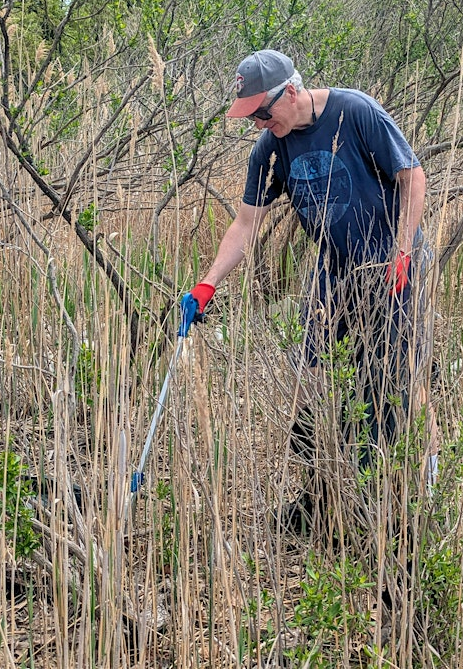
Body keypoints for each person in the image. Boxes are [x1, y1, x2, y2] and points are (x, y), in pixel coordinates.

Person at [180, 48, 438, 532]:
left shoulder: (355, 112)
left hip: (390, 261)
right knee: (313, 373)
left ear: (292, 92)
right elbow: (245, 224)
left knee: (404, 374)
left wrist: (402, 250)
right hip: (335, 268)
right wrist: (206, 285)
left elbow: (412, 177)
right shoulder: (271, 149)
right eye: (250, 115)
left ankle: (426, 488)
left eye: (262, 111)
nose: (257, 123)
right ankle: (329, 491)